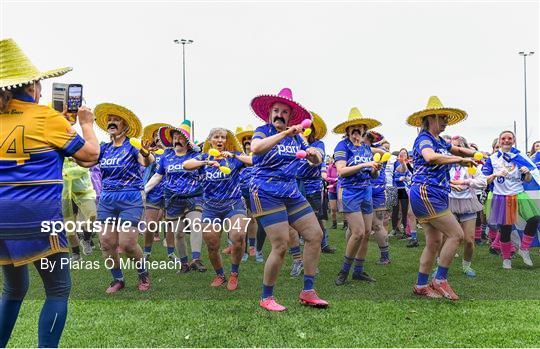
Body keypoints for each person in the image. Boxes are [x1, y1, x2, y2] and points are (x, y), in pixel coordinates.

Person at [0, 38, 99, 347]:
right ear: (32, 87)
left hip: (2, 217)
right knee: (58, 290)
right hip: (37, 215)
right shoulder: (45, 117)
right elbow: (90, 155)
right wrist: (86, 124)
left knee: (13, 290)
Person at [249, 87, 328, 311]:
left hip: (290, 191)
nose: (279, 115)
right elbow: (256, 149)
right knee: (281, 244)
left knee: (315, 235)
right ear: (269, 113)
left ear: (290, 116)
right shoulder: (263, 131)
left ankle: (308, 291)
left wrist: (315, 155)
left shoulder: (299, 138)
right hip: (264, 191)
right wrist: (284, 133)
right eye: (276, 110)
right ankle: (266, 297)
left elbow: (315, 160)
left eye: (284, 111)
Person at [78, 103, 155, 293]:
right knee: (106, 242)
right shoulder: (104, 148)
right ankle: (118, 279)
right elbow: (86, 161)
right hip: (107, 199)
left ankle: (142, 273)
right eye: (110, 120)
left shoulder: (132, 146)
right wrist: (70, 153)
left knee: (127, 243)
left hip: (131, 198)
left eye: (116, 120)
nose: (112, 122)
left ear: (125, 126)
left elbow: (147, 161)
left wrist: (146, 152)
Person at [407, 96, 476, 300]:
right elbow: (430, 156)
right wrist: (461, 159)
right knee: (456, 234)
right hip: (426, 192)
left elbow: (456, 149)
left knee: (434, 242)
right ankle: (440, 279)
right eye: (443, 118)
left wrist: (474, 154)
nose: (446, 121)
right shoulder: (424, 139)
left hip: (435, 193)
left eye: (447, 118)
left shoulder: (440, 141)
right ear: (431, 118)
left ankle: (421, 285)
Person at [183, 128, 252, 290]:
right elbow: (186, 165)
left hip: (233, 204)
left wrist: (234, 155)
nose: (220, 140)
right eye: (216, 137)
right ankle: (220, 275)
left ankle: (234, 274)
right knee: (212, 244)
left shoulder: (233, 157)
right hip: (211, 207)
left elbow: (255, 160)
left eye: (223, 137)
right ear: (210, 140)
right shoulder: (204, 157)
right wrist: (207, 162)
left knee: (239, 236)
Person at [145, 121, 207, 273]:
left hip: (194, 196)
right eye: (175, 137)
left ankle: (196, 259)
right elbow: (158, 176)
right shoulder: (167, 156)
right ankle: (184, 263)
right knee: (178, 233)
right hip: (172, 198)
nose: (177, 139)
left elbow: (204, 175)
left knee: (195, 225)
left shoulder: (196, 156)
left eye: (181, 136)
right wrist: (144, 190)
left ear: (187, 140)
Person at [333, 107, 383, 286]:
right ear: (347, 131)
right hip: (350, 193)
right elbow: (341, 171)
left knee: (367, 233)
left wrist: (374, 169)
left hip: (366, 191)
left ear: (363, 130)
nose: (357, 131)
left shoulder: (366, 149)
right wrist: (364, 165)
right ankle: (344, 271)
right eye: (353, 128)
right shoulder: (342, 146)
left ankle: (358, 271)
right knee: (358, 232)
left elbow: (372, 175)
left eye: (360, 128)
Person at [483, 130, 540, 269]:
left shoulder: (519, 157)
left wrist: (527, 173)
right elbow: (484, 179)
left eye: (509, 138)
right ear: (499, 140)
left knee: (534, 218)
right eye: (503, 138)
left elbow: (527, 179)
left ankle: (524, 249)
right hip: (501, 197)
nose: (506, 140)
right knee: (506, 229)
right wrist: (495, 174)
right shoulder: (492, 159)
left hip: (519, 193)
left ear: (513, 140)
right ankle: (506, 258)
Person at [289, 111, 335, 277]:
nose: (302, 129)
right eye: (299, 126)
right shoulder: (290, 142)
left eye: (306, 127)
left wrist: (306, 145)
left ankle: (311, 262)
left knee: (314, 227)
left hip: (313, 189)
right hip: (292, 187)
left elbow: (316, 160)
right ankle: (297, 260)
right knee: (291, 227)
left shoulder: (319, 144)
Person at [448, 136, 486, 277]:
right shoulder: (446, 164)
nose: (454, 151)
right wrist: (451, 185)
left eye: (457, 147)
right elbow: (438, 182)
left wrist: (466, 182)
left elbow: (483, 181)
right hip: (449, 202)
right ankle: (440, 266)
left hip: (468, 203)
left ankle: (466, 266)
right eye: (452, 147)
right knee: (447, 238)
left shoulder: (470, 165)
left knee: (469, 240)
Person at [141, 123, 171, 261]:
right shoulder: (151, 154)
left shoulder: (173, 154)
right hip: (154, 191)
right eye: (156, 139)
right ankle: (146, 252)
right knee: (150, 224)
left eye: (161, 139)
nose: (159, 142)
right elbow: (147, 168)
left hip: (171, 191)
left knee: (170, 221)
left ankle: (171, 250)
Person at [366, 131, 391, 265]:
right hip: (360, 190)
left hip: (377, 190)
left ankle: (385, 256)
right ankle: (352, 255)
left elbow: (384, 153)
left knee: (377, 225)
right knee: (354, 227)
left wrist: (362, 148)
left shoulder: (380, 150)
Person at [235, 125, 260, 262]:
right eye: (245, 139)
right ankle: (243, 251)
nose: (247, 141)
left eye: (250, 138)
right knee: (242, 221)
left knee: (253, 219)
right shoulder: (239, 157)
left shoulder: (259, 155)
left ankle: (252, 247)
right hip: (240, 191)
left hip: (255, 191)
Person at [391, 148, 411, 239]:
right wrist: (399, 179)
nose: (403, 155)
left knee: (404, 210)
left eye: (405, 154)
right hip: (393, 188)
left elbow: (409, 176)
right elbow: (392, 176)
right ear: (398, 155)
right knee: (394, 210)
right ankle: (394, 229)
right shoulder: (394, 163)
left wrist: (405, 178)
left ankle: (405, 230)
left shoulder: (408, 164)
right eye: (401, 153)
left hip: (404, 189)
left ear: (407, 156)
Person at [325, 155, 339, 229]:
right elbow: (327, 177)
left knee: (342, 208)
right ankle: (334, 224)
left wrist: (335, 182)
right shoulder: (330, 167)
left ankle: (346, 224)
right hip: (332, 191)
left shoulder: (343, 165)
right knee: (333, 209)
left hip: (340, 189)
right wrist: (335, 180)